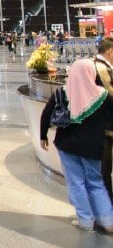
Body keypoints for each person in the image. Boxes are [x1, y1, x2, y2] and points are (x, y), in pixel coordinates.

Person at [40, 59, 113, 232]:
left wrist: (43, 136)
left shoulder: (62, 93)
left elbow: (46, 115)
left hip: (67, 144)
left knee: (76, 183)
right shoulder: (104, 96)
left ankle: (86, 220)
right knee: (95, 182)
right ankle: (107, 220)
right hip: (93, 146)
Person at [94, 38, 113, 200]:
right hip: (105, 125)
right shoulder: (101, 68)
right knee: (105, 167)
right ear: (110, 51)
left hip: (104, 124)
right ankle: (107, 204)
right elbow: (110, 93)